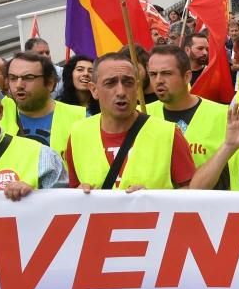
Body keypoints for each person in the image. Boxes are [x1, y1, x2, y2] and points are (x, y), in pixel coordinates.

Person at [65, 52, 196, 191]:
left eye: (128, 83)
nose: (121, 91)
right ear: (94, 89)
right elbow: (73, 191)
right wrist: (79, 194)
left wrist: (154, 200)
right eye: (110, 83)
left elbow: (191, 194)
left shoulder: (168, 134)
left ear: (137, 88)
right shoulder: (78, 134)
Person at [146, 45, 227, 168]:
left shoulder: (222, 115)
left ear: (187, 77)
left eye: (166, 73)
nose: (158, 80)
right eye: (153, 74)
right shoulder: (141, 114)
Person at [1, 51, 86, 158]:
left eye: (29, 77)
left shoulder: (80, 118)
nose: (18, 85)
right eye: (13, 78)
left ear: (50, 83)